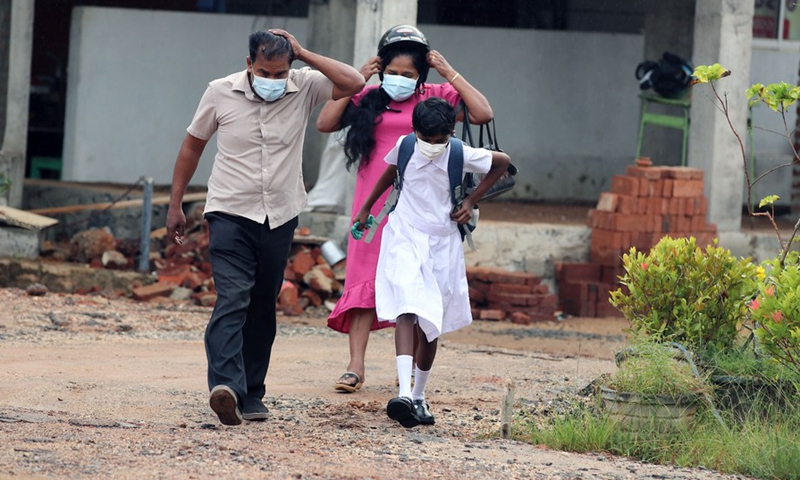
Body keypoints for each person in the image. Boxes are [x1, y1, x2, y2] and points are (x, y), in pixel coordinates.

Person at [166, 29, 364, 426]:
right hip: (228, 212)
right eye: (264, 72)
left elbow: (354, 83)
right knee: (232, 298)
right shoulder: (220, 91)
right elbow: (193, 144)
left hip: (280, 214)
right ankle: (225, 387)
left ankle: (252, 393)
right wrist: (176, 202)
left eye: (279, 73)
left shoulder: (304, 86)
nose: (273, 81)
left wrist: (304, 53)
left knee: (262, 305)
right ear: (248, 65)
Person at [316, 25, 493, 393]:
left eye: (407, 75)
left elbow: (482, 113)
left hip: (421, 209)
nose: (398, 80)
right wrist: (357, 79)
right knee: (364, 282)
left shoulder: (437, 98)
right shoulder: (368, 96)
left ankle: (410, 372)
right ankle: (355, 366)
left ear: (421, 75)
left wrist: (449, 72)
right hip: (373, 203)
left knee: (417, 286)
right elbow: (325, 123)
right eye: (392, 73)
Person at [352, 97, 511, 427]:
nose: (432, 146)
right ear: (415, 132)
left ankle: (419, 396)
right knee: (406, 307)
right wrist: (367, 208)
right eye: (426, 139)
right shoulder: (406, 146)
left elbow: (503, 162)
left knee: (430, 324)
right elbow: (390, 173)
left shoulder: (460, 153)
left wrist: (471, 199)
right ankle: (404, 394)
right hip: (406, 233)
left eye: (439, 140)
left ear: (451, 133)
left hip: (442, 242)